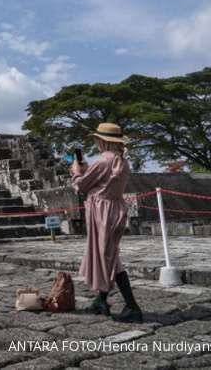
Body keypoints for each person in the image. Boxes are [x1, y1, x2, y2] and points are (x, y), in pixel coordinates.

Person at [70, 122, 142, 323]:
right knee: (108, 256)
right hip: (115, 210)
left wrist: (76, 170)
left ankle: (133, 307)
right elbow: (101, 182)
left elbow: (81, 186)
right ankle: (100, 300)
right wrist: (86, 170)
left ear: (102, 140)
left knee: (108, 258)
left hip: (102, 213)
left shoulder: (103, 161)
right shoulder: (122, 161)